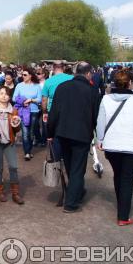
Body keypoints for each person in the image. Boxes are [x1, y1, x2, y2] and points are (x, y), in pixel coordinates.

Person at [47, 62, 100, 214]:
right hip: (82, 135)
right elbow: (95, 116)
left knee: (71, 166)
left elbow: (53, 113)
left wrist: (50, 133)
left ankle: (78, 191)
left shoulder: (62, 88)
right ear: (89, 74)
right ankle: (71, 203)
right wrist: (97, 134)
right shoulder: (92, 91)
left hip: (62, 134)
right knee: (77, 169)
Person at [96, 70, 133, 226]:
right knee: (127, 180)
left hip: (111, 145)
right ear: (131, 82)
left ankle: (121, 206)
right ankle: (123, 216)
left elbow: (100, 122)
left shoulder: (105, 99)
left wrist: (100, 139)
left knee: (118, 175)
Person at [41, 61, 74, 160]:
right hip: (69, 111)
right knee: (68, 134)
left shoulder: (48, 81)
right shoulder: (71, 78)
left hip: (53, 112)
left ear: (53, 68)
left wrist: (44, 111)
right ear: (63, 68)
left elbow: (44, 99)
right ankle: (67, 155)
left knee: (54, 136)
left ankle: (56, 159)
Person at [13, 68, 41, 161]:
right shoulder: (19, 85)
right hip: (23, 111)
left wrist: (31, 100)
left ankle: (29, 150)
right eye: (22, 75)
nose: (22, 76)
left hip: (33, 111)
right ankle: (27, 153)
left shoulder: (37, 86)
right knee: (25, 133)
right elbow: (14, 98)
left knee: (31, 133)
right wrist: (23, 102)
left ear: (30, 76)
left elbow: (40, 99)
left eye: (25, 75)